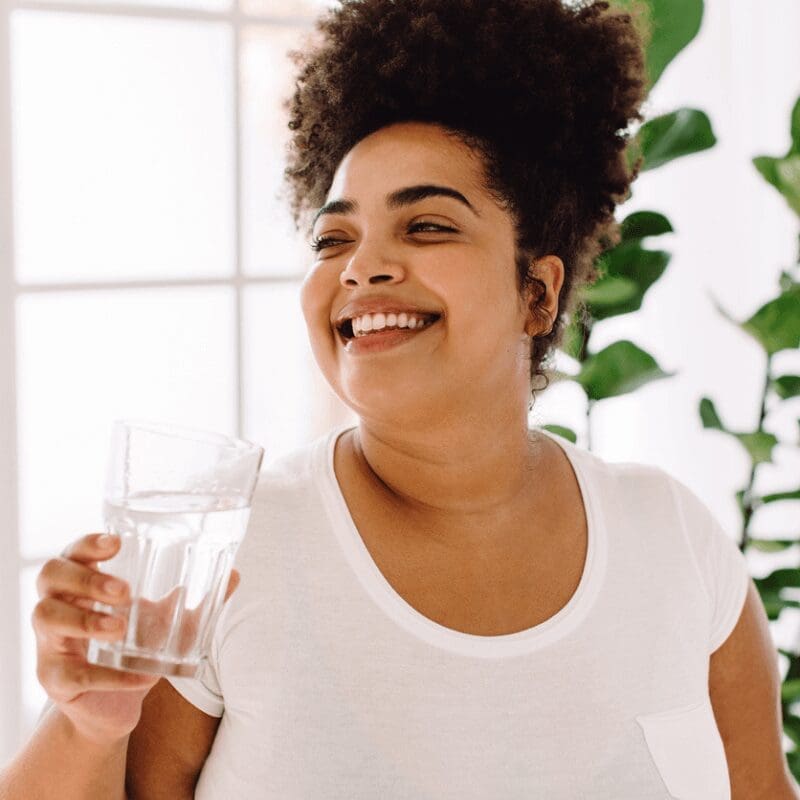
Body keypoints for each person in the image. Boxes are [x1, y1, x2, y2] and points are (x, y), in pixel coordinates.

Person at [1, 0, 796, 797]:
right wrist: (88, 725)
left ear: (537, 294)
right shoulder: (231, 552)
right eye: (333, 239)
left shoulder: (674, 542)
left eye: (426, 227)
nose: (361, 267)